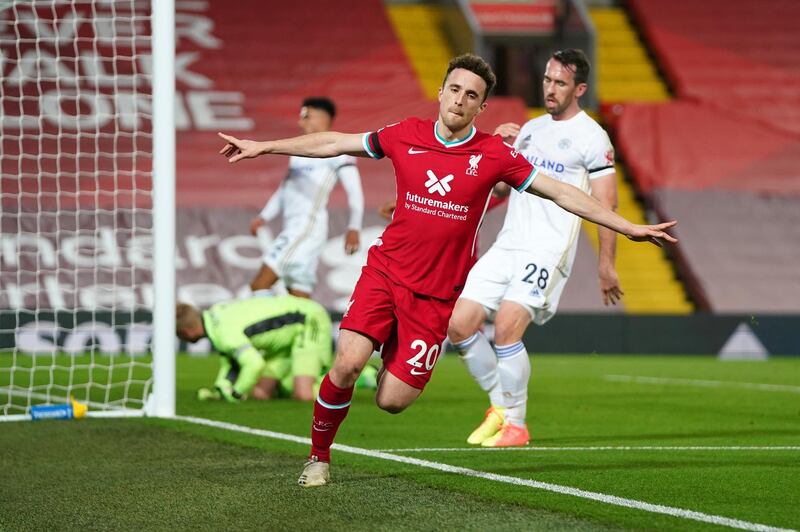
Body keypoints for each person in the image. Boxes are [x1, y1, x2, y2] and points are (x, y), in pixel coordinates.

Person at [217, 53, 677, 488]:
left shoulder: (495, 155)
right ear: (440, 92)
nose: (459, 100)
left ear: (481, 106)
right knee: (346, 364)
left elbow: (562, 193)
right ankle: (318, 457)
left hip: (436, 296)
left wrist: (627, 226)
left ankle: (394, 351)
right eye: (453, 89)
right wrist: (265, 146)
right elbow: (335, 142)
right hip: (386, 273)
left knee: (392, 402)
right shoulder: (404, 133)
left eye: (470, 95)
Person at [447, 49, 623, 447]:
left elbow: (605, 205)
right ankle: (500, 408)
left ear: (579, 89)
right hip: (509, 244)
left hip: (547, 249)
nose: (550, 88)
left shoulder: (593, 138)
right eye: (547, 79)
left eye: (560, 83)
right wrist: (499, 150)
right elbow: (503, 188)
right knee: (458, 323)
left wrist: (606, 264)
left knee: (507, 326)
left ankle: (517, 425)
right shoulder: (528, 129)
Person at [250, 97, 365, 298]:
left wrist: (354, 227)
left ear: (322, 118)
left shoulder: (339, 151)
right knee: (298, 294)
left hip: (306, 228)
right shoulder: (298, 151)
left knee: (259, 285)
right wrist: (265, 215)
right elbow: (286, 188)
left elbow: (354, 191)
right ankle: (306, 329)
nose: (300, 122)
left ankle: (263, 328)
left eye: (306, 116)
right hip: (295, 227)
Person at [176, 295, 337, 402]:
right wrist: (221, 389)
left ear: (185, 332)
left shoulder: (224, 334)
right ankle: (296, 381)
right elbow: (232, 362)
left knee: (303, 394)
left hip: (309, 320)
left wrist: (237, 393)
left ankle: (355, 378)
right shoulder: (214, 317)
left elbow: (254, 363)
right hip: (285, 338)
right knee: (261, 393)